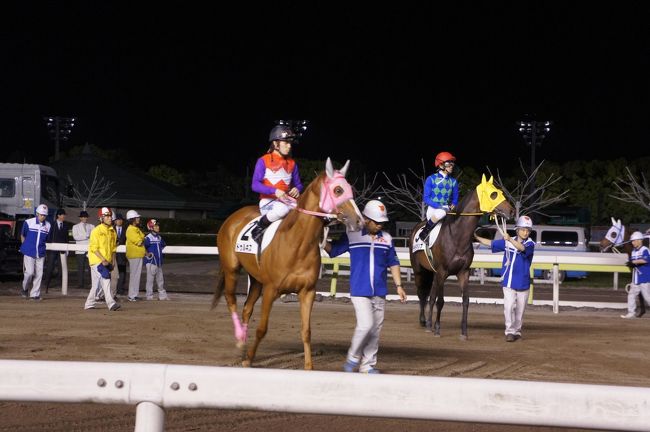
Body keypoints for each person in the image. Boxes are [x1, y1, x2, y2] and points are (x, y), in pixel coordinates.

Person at [323, 200, 407, 374]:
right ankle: (353, 357)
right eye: (377, 222)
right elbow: (333, 251)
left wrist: (399, 286)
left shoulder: (387, 238)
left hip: (380, 291)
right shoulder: (352, 235)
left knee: (375, 331)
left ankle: (367, 365)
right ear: (366, 219)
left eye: (382, 223)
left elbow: (393, 262)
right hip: (359, 290)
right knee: (365, 325)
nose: (380, 225)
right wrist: (321, 239)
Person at [474, 215, 535, 342]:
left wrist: (510, 240)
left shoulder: (530, 244)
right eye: (523, 229)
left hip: (523, 282)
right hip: (508, 280)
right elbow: (490, 243)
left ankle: (517, 331)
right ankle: (510, 332)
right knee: (508, 307)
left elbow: (522, 248)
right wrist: (475, 237)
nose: (525, 232)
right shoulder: (507, 241)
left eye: (527, 230)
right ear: (517, 230)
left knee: (520, 310)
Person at [250, 124, 304, 243]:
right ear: (275, 144)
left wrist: (297, 189)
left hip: (287, 201)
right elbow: (254, 185)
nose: (289, 146)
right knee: (282, 210)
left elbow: (299, 184)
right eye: (286, 142)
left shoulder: (292, 163)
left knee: (305, 211)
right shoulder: (263, 160)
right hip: (268, 202)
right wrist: (274, 191)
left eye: (290, 143)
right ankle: (259, 227)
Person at [84, 207, 120, 311]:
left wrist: (112, 261)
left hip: (107, 261)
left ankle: (89, 304)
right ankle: (111, 303)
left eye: (110, 216)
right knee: (106, 277)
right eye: (107, 216)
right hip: (97, 260)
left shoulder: (113, 231)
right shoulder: (96, 230)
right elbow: (94, 248)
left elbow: (113, 249)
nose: (110, 218)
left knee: (95, 284)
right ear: (101, 218)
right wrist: (103, 260)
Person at [419, 151, 459, 242]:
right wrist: (439, 207)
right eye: (449, 163)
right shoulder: (431, 179)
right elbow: (426, 198)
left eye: (452, 163)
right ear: (441, 165)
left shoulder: (453, 182)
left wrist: (454, 203)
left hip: (445, 208)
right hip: (433, 209)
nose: (452, 165)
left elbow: (455, 198)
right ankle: (424, 232)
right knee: (442, 211)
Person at [19, 204, 51, 300]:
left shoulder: (48, 225)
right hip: (29, 252)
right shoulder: (28, 222)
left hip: (40, 252)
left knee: (39, 274)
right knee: (29, 272)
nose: (43, 216)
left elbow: (46, 239)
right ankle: (24, 288)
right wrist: (25, 247)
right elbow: (22, 235)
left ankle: (35, 294)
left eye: (44, 215)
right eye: (41, 214)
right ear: (37, 213)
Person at [621, 231, 650, 319]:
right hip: (636, 279)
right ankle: (631, 313)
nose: (632, 242)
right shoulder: (633, 251)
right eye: (632, 241)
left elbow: (645, 260)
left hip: (644, 278)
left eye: (634, 241)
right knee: (631, 294)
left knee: (648, 298)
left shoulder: (645, 249)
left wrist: (633, 262)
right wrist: (630, 263)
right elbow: (633, 262)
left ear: (640, 241)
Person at [43, 208, 69, 293]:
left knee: (62, 268)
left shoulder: (65, 225)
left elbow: (66, 238)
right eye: (63, 215)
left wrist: (67, 249)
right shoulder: (52, 224)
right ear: (58, 215)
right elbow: (49, 236)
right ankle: (46, 285)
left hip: (62, 249)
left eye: (64, 215)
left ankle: (62, 285)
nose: (64, 216)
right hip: (53, 249)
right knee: (50, 267)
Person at [143, 219, 169, 301]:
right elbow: (142, 247)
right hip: (151, 262)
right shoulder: (147, 238)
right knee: (150, 280)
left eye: (158, 226)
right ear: (151, 227)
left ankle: (162, 296)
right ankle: (149, 296)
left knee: (160, 280)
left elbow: (163, 245)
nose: (158, 227)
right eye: (156, 226)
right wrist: (147, 254)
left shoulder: (159, 237)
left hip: (158, 262)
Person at [125, 209, 145, 301]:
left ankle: (134, 295)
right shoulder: (130, 229)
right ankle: (131, 295)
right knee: (134, 275)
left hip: (138, 255)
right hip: (134, 255)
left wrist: (142, 238)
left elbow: (142, 237)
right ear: (132, 219)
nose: (138, 219)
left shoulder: (136, 229)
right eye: (137, 217)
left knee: (137, 275)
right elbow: (140, 241)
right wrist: (142, 238)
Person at [72, 210, 94, 288]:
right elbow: (75, 237)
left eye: (86, 217)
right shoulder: (75, 226)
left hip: (89, 250)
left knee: (91, 267)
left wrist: (89, 237)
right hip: (79, 250)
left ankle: (92, 283)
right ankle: (80, 284)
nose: (85, 218)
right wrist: (86, 236)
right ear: (80, 218)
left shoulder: (91, 226)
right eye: (83, 217)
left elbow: (93, 237)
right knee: (80, 268)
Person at [114, 213, 128, 296]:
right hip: (113, 254)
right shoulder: (111, 229)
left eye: (120, 220)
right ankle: (113, 289)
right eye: (117, 220)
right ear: (115, 221)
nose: (119, 221)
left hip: (123, 255)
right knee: (113, 272)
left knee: (122, 272)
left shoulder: (126, 229)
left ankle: (120, 289)